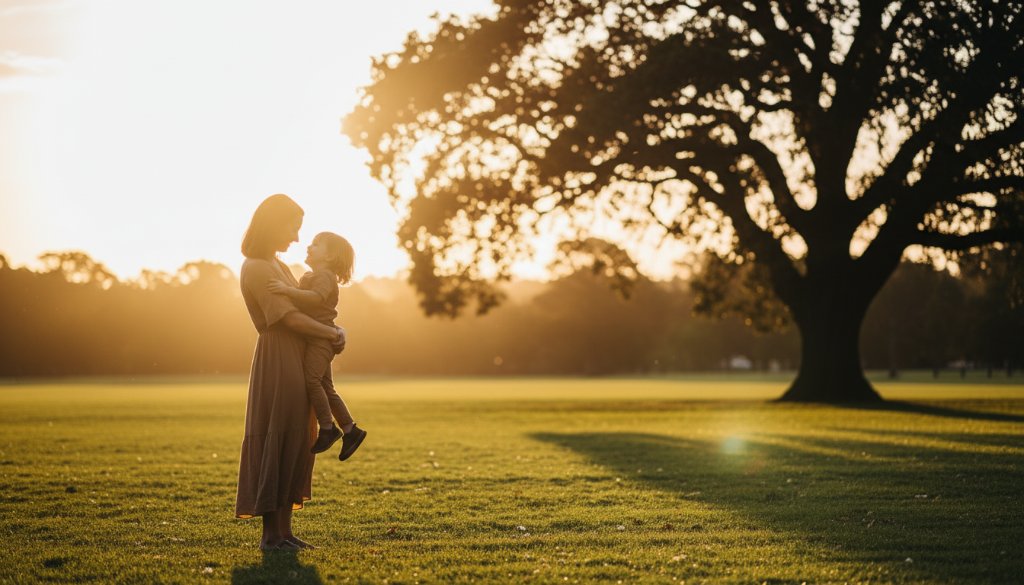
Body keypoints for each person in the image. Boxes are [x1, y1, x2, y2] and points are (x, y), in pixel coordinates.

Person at [235, 194, 345, 551]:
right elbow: (288, 317)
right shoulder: (257, 267)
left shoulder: (278, 266)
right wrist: (332, 333)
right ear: (273, 224)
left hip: (295, 355)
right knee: (278, 436)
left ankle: (285, 532)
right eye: (292, 228)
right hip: (278, 357)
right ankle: (271, 536)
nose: (297, 238)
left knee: (297, 438)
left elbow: (309, 306)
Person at [267, 231, 367, 460]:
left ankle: (328, 428)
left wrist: (286, 290)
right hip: (318, 338)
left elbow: (315, 299)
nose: (309, 247)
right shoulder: (314, 275)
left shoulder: (325, 276)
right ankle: (351, 430)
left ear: (329, 257)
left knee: (311, 381)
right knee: (326, 386)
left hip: (320, 339)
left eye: (315, 245)